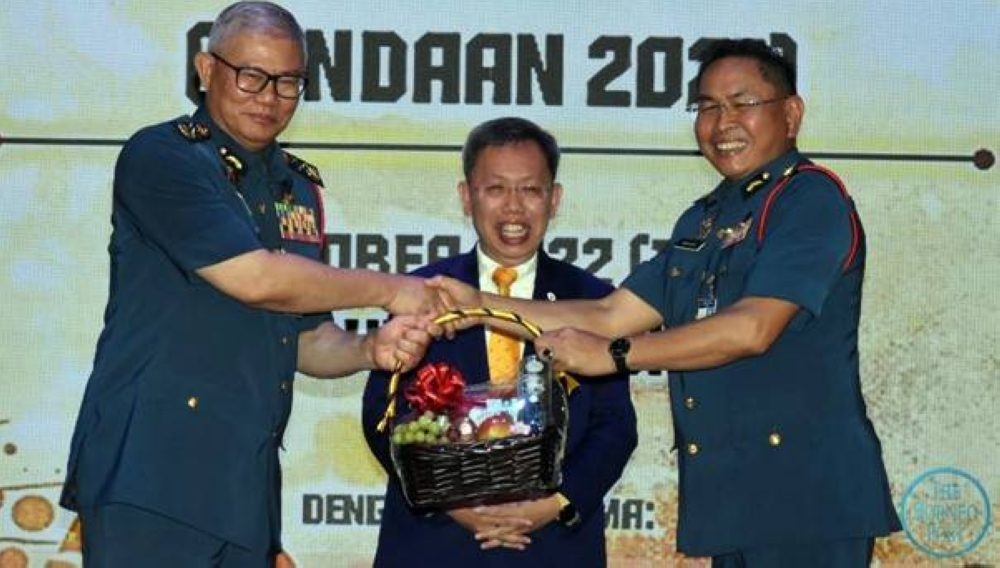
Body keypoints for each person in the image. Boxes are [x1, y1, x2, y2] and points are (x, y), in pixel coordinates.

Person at [432, 40, 901, 566]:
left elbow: (752, 328)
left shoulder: (809, 199)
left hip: (807, 498)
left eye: (742, 103)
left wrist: (615, 355)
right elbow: (609, 314)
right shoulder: (706, 219)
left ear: (791, 114)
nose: (722, 122)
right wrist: (478, 304)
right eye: (707, 106)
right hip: (737, 502)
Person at [60, 2, 441, 566]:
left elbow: (306, 339)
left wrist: (367, 348)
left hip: (244, 485)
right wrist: (391, 289)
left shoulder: (296, 187)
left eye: (288, 82)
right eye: (251, 76)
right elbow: (256, 278)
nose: (269, 97)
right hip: (152, 474)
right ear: (205, 69)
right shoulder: (163, 155)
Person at [362, 117, 637, 567]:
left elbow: (615, 427)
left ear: (554, 198)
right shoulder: (422, 293)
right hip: (435, 545)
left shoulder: (594, 302)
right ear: (466, 197)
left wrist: (554, 504)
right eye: (495, 189)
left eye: (530, 190)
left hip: (552, 547)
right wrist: (453, 502)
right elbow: (382, 415)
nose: (514, 208)